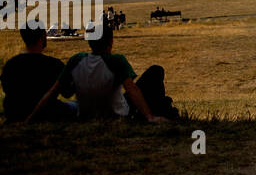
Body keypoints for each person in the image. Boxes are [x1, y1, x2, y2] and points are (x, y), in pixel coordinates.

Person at [26, 27, 162, 123]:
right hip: (117, 115)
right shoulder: (116, 60)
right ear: (111, 41)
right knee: (156, 71)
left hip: (85, 115)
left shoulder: (76, 59)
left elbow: (52, 92)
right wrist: (149, 117)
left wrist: (30, 119)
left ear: (90, 42)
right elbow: (132, 90)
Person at [2, 25, 75, 122]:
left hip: (14, 113)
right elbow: (67, 93)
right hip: (47, 113)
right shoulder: (53, 64)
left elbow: (6, 89)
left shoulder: (10, 64)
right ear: (43, 36)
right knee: (76, 105)